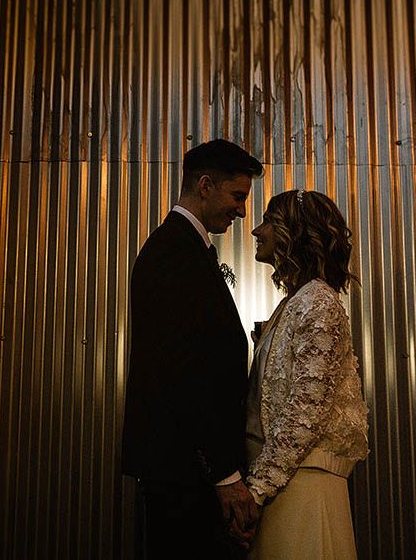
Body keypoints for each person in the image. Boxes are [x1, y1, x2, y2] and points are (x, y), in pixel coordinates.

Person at [122, 139, 264, 558]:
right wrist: (223, 475)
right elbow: (182, 375)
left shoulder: (186, 249)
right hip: (185, 475)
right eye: (237, 196)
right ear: (205, 186)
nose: (242, 211)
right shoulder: (173, 254)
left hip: (187, 472)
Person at [244, 189, 369, 558]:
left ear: (292, 232)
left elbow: (306, 409)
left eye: (268, 220)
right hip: (286, 483)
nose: (257, 231)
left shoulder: (318, 302)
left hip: (300, 487)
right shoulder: (295, 302)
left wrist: (257, 488)